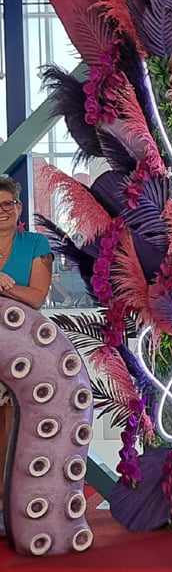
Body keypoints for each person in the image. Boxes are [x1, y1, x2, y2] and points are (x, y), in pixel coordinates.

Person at [0, 173, 54, 503]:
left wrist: (5, 286)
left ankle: (6, 502)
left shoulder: (36, 244)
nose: (1, 211)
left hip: (20, 349)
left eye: (7, 204)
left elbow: (36, 296)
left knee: (10, 427)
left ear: (18, 207)